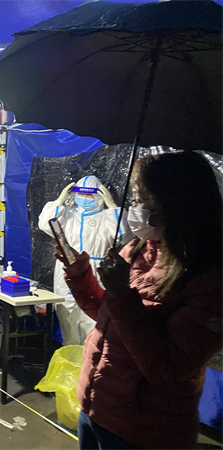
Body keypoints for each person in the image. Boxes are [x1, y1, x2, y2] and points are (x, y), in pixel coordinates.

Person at [54, 152, 222, 449]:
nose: (134, 206)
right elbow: (109, 316)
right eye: (133, 197)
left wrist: (122, 294)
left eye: (142, 199)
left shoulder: (209, 281)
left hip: (143, 430)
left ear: (177, 204)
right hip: (96, 407)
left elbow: (168, 371)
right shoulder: (137, 249)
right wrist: (81, 278)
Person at [39, 175, 132, 345]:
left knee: (94, 318)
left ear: (100, 196)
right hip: (68, 269)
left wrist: (113, 208)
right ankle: (71, 354)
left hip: (96, 269)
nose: (85, 198)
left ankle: (90, 356)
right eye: (82, 194)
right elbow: (46, 224)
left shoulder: (107, 217)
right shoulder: (67, 215)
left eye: (90, 195)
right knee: (67, 315)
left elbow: (124, 234)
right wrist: (59, 201)